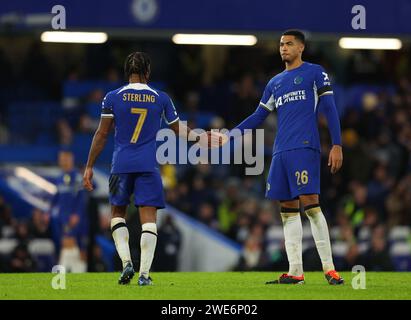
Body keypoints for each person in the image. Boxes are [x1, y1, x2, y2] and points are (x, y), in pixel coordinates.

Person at [223, 30, 344, 285]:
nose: (283, 48)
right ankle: (295, 272)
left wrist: (336, 144)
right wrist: (230, 135)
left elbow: (329, 108)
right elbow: (258, 116)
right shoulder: (275, 82)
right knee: (287, 211)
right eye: (281, 44)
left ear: (301, 48)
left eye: (289, 44)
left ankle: (330, 269)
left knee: (311, 205)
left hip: (304, 147)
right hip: (280, 152)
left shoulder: (314, 72)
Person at [83, 52, 212, 286]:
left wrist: (89, 166)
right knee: (149, 220)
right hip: (147, 165)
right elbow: (178, 130)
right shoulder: (161, 98)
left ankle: (126, 263)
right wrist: (200, 137)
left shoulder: (112, 97)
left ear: (126, 72)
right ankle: (144, 274)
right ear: (148, 72)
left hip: (120, 165)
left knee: (117, 215)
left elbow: (101, 134)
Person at [50, 150, 88, 273]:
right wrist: (48, 211)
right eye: (61, 159)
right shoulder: (60, 177)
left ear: (71, 160)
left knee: (76, 245)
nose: (63, 161)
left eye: (65, 158)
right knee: (67, 243)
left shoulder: (77, 177)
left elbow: (82, 198)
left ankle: (72, 271)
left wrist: (77, 214)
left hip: (74, 217)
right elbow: (56, 196)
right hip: (63, 217)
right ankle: (72, 271)